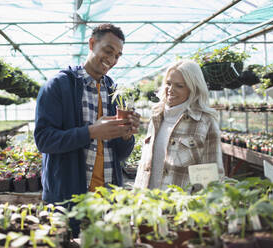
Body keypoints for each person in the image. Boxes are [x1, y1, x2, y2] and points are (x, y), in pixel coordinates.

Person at [34, 23, 140, 225]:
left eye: (118, 55)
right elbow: (44, 140)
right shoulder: (59, 85)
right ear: (92, 44)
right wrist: (91, 132)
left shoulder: (113, 90)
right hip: (70, 198)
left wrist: (127, 136)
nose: (112, 59)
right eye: (108, 51)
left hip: (108, 198)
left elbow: (121, 154)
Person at [134, 59, 224, 190]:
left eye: (179, 86)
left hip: (179, 207)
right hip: (146, 204)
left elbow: (211, 179)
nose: (170, 90)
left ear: (193, 89)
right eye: (168, 83)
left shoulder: (204, 122)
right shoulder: (157, 116)